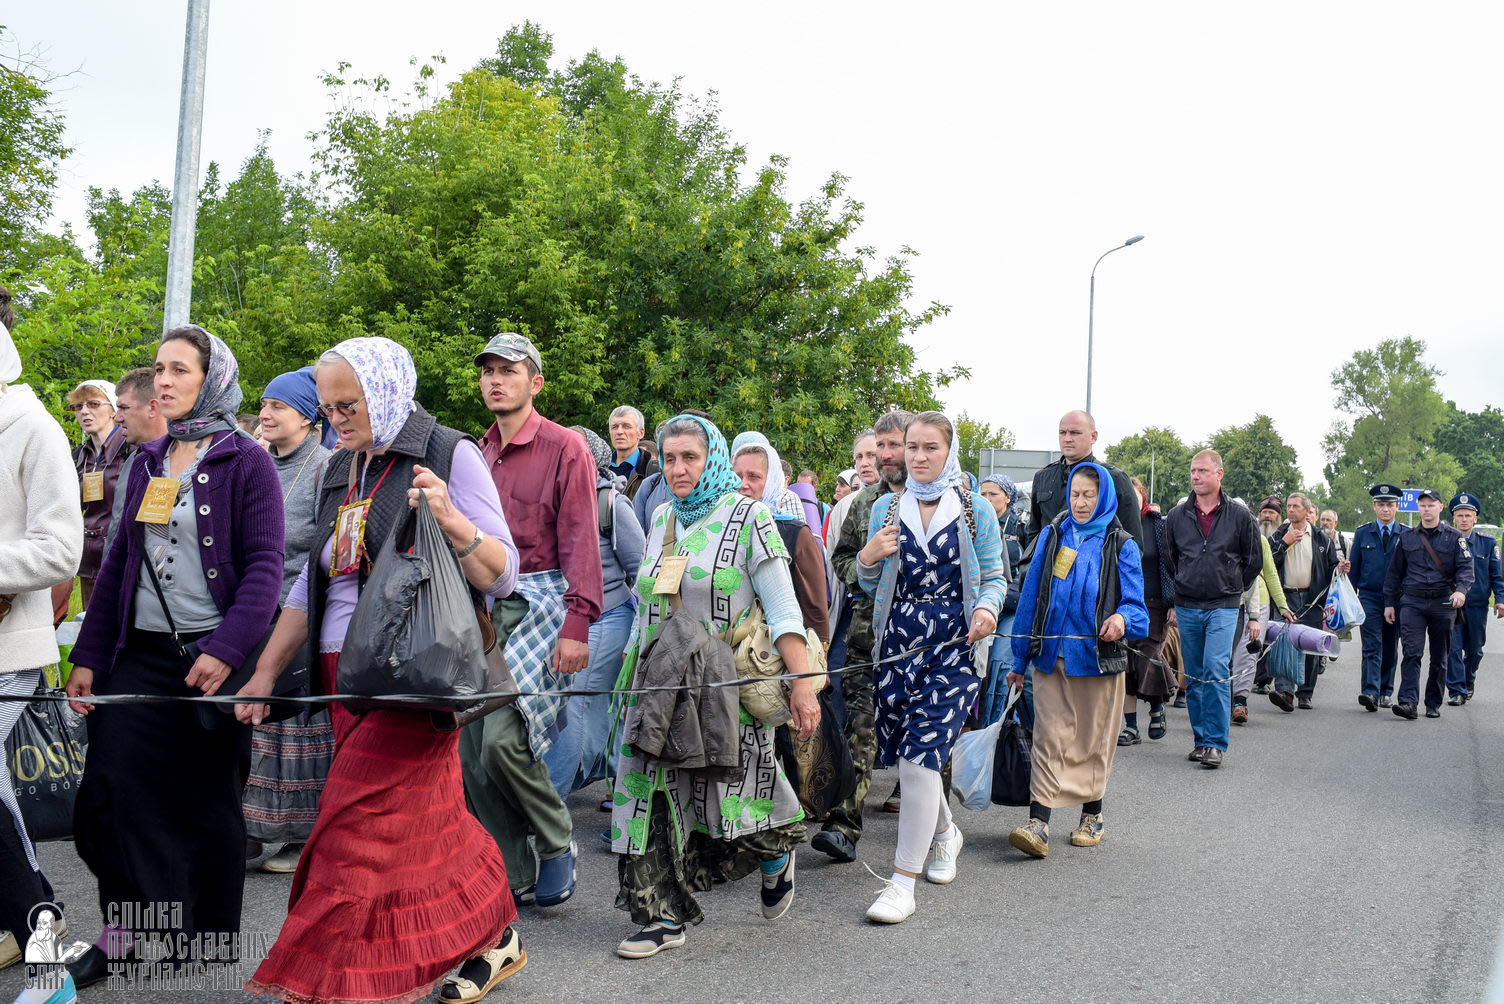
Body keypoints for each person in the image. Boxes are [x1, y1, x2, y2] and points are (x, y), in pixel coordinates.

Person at [239, 336, 526, 1004]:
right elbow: (312, 588)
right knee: (428, 826)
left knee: (352, 835)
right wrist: (263, 674)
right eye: (329, 406)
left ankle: (335, 986)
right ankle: (495, 936)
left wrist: (452, 519)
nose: (337, 418)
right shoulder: (342, 468)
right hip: (346, 678)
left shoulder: (448, 452)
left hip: (414, 678)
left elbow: (503, 573)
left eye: (350, 404)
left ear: (389, 389)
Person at [64, 325, 284, 987]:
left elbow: (266, 568)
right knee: (113, 793)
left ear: (211, 378)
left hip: (211, 657)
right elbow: (121, 564)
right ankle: (126, 935)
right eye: (160, 368)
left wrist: (227, 650)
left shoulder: (248, 460)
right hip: (140, 656)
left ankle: (208, 940)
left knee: (206, 804)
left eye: (180, 370)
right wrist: (89, 655)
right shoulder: (150, 458)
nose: (164, 380)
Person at [610, 414, 818, 958]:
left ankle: (774, 857)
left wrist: (802, 686)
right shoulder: (659, 517)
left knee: (736, 797)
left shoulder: (750, 516)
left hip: (721, 686)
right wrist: (628, 680)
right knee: (645, 791)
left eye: (690, 458)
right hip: (657, 684)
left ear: (713, 460)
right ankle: (659, 916)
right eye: (670, 458)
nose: (678, 470)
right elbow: (645, 606)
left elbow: (782, 607)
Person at [463, 332, 603, 909]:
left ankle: (555, 840)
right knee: (470, 747)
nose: (496, 380)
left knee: (502, 738)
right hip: (480, 606)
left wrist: (578, 624)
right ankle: (512, 865)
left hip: (542, 598)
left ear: (535, 382)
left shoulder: (567, 447)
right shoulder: (474, 450)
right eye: (489, 371)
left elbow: (580, 540)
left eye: (510, 371)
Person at [857, 411, 1004, 923]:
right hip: (897, 646)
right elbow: (870, 587)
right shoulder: (884, 510)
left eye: (929, 448)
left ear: (949, 450)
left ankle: (901, 883)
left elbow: (995, 577)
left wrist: (985, 610)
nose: (918, 457)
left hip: (954, 648)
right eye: (911, 448)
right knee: (908, 758)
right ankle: (945, 833)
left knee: (921, 759)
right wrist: (867, 558)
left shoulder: (974, 510)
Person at [0, 288, 85, 1004]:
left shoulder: (29, 423)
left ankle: (43, 941)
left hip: (8, 650)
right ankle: (38, 937)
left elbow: (61, 548)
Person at [1006, 461, 1148, 858]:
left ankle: (1092, 814)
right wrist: (1020, 660)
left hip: (1098, 660)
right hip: (1052, 657)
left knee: (1092, 739)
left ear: (1103, 496)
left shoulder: (1121, 544)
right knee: (1049, 737)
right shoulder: (1052, 536)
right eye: (1074, 495)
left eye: (1088, 495)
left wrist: (1122, 619)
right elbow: (1031, 597)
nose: (1080, 502)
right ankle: (1039, 824)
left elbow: (1137, 608)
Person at [241, 368, 335, 875]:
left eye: (278, 406)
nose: (267, 414)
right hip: (255, 611)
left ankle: (302, 836)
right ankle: (259, 829)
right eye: (264, 405)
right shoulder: (257, 462)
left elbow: (324, 545)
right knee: (260, 725)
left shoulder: (325, 467)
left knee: (299, 726)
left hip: (301, 610)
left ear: (306, 415)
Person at [814, 410, 913, 861]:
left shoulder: (944, 502)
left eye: (895, 445)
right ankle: (844, 825)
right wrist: (867, 561)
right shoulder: (862, 502)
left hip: (921, 640)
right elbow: (841, 562)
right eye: (880, 448)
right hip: (865, 637)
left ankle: (931, 822)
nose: (887, 455)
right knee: (859, 727)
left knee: (921, 732)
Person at [543, 426, 644, 798]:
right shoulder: (552, 498)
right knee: (577, 707)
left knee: (576, 706)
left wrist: (637, 633)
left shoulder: (611, 504)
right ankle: (603, 778)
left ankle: (551, 800)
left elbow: (641, 568)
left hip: (608, 617)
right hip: (564, 619)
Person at [1163, 450, 1262, 769]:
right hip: (1188, 603)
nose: (1195, 476)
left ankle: (1216, 743)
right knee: (1193, 674)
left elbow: (1253, 560)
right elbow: (1170, 559)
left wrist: (1232, 585)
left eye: (1203, 470)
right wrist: (1184, 583)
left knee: (1216, 669)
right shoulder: (1177, 515)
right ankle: (1200, 739)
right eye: (1192, 470)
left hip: (1224, 604)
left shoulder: (1239, 515)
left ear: (1219, 474)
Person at [1383, 488, 1474, 720]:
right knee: (1411, 653)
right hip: (1412, 602)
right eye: (1422, 505)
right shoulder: (1407, 537)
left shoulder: (1455, 538)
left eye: (1431, 504)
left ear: (1440, 507)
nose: (1426, 508)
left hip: (1443, 602)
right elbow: (1394, 573)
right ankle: (1408, 703)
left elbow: (1466, 570)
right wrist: (1390, 603)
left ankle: (1433, 702)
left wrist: (1461, 592)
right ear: (1418, 508)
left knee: (1439, 656)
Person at [732, 435, 830, 645]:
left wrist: (819, 660)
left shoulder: (794, 532)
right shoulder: (723, 525)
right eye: (737, 476)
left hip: (777, 655)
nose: (743, 484)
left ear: (772, 480)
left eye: (754, 476)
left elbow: (815, 605)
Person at [1268, 492, 1345, 710]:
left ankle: (1305, 693)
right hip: (1285, 597)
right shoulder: (1279, 534)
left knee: (1310, 646)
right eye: (1289, 506)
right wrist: (1283, 544)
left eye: (1295, 506)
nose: (1291, 510)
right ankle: (1284, 692)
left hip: (1312, 599)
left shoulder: (1321, 538)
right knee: (1284, 642)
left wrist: (1340, 569)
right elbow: (1266, 562)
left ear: (1306, 510)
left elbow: (1332, 568)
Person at [1024, 410, 1141, 549]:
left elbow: (1132, 540)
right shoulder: (1043, 477)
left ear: (1093, 436)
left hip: (1097, 566)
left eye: (1075, 433)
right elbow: (1033, 532)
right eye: (1062, 432)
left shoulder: (1114, 478)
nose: (1067, 438)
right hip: (1049, 567)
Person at [1117, 477, 1176, 744]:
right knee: (1125, 663)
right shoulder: (1114, 526)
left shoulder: (1159, 526)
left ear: (1143, 496)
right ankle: (1131, 726)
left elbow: (1172, 566)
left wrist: (1173, 602)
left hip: (1154, 602)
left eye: (1135, 492)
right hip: (1122, 605)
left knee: (1147, 655)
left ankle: (1156, 707)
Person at [67, 379, 127, 608]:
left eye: (93, 404)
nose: (84, 411)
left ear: (114, 410)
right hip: (88, 559)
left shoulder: (131, 450)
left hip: (121, 558)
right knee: (91, 628)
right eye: (78, 406)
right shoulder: (78, 457)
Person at [101, 367, 168, 557]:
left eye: (124, 408)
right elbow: (118, 530)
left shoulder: (183, 461)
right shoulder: (134, 460)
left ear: (152, 408)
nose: (117, 417)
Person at [1445, 494, 1504, 704]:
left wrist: (1500, 599)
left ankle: (1468, 680)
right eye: (1459, 515)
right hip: (1451, 605)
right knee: (1453, 648)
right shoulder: (1445, 542)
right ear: (1453, 518)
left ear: (1475, 519)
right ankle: (1456, 690)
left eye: (1467, 516)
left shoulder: (1487, 544)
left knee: (1475, 650)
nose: (1463, 519)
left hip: (1477, 605)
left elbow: (1496, 575)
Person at [1350, 484, 1405, 709]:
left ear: (1397, 507)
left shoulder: (1406, 534)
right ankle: (1370, 692)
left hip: (1397, 599)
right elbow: (1354, 570)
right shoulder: (1363, 533)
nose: (1385, 509)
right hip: (1369, 598)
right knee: (1371, 645)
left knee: (1390, 645)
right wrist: (1350, 600)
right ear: (1374, 506)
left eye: (1389, 505)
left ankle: (1385, 689)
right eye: (1381, 505)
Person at [977, 473, 1025, 727]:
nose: (986, 499)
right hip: (979, 606)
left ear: (1007, 497)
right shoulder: (973, 522)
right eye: (982, 494)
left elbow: (1029, 571)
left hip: (1011, 608)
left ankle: (999, 730)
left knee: (1001, 665)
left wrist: (1010, 595)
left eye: (992, 494)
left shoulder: (1021, 527)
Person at [607, 405, 659, 498]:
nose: (619, 431)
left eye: (626, 426)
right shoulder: (598, 469)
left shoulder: (653, 470)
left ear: (641, 433)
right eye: (614, 427)